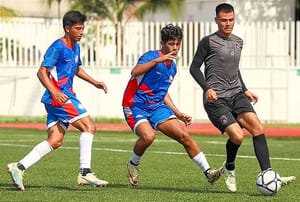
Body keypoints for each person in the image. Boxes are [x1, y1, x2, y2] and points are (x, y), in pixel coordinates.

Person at [189, 3, 296, 192]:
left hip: (237, 94)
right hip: (216, 100)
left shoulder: (238, 41)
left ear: (234, 19)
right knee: (238, 136)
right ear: (216, 20)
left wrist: (245, 89)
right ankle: (230, 166)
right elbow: (194, 68)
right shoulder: (208, 41)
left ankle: (268, 174)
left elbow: (234, 69)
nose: (227, 24)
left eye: (231, 20)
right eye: (223, 20)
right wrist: (207, 88)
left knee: (257, 128)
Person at [7, 10, 108, 191]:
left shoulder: (76, 46)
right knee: (89, 127)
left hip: (59, 97)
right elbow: (41, 72)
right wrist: (54, 92)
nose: (81, 32)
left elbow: (76, 69)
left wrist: (95, 83)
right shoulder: (57, 47)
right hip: (59, 97)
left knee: (55, 140)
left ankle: (18, 167)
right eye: (78, 28)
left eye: (82, 28)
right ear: (67, 28)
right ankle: (85, 172)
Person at [122, 24, 222, 187]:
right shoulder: (151, 57)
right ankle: (133, 164)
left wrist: (178, 112)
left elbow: (163, 92)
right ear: (162, 43)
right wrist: (157, 60)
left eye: (177, 44)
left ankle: (208, 172)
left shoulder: (172, 68)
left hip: (156, 107)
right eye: (171, 44)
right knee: (148, 136)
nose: (174, 48)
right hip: (135, 106)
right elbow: (135, 72)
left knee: (184, 135)